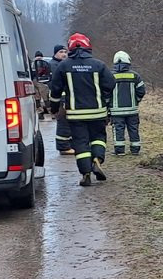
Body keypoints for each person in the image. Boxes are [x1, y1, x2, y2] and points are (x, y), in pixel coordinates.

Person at [48, 33, 116, 186]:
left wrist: (54, 108)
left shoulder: (63, 66)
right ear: (88, 46)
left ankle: (86, 173)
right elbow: (111, 84)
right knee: (98, 137)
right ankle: (97, 160)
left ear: (71, 48)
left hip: (75, 114)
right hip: (98, 112)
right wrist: (103, 98)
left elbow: (55, 90)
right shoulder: (99, 65)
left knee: (80, 143)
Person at [110, 51, 146, 155]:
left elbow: (105, 92)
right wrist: (136, 100)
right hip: (132, 110)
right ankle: (135, 150)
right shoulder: (135, 76)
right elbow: (141, 91)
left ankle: (119, 151)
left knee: (118, 130)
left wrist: (108, 105)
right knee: (134, 129)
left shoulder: (110, 76)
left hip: (116, 111)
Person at [48, 44, 74, 154]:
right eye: (61, 52)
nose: (64, 54)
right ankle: (63, 147)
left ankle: (69, 144)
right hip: (60, 98)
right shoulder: (53, 65)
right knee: (63, 122)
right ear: (55, 54)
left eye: (65, 52)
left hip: (68, 97)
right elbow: (54, 84)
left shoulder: (66, 64)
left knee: (70, 121)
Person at [31, 51, 52, 119]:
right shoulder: (44, 62)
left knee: (37, 98)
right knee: (45, 98)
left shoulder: (33, 63)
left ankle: (40, 113)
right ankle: (51, 112)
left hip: (34, 81)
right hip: (42, 81)